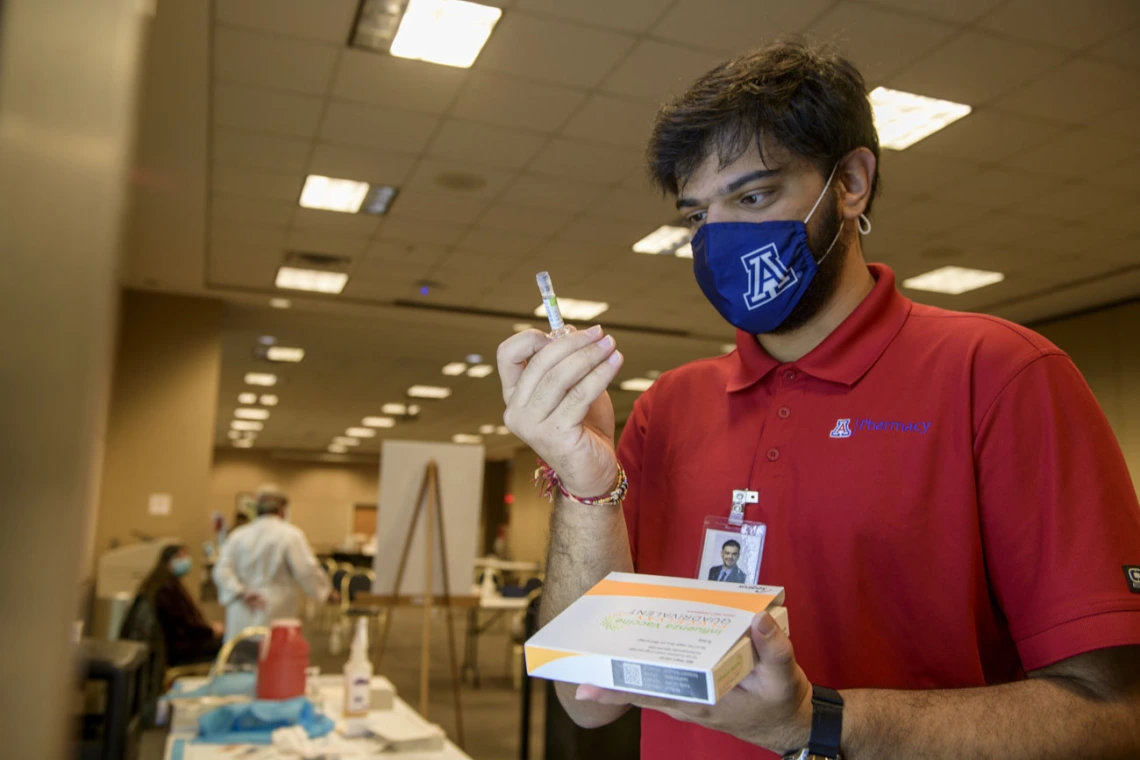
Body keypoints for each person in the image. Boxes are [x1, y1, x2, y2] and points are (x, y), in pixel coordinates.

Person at [497, 40, 1140, 760]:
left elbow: (1114, 716)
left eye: (754, 196)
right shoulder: (668, 407)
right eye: (697, 217)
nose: (723, 237)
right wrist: (585, 483)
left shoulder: (1000, 375)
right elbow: (586, 700)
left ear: (852, 182)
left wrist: (814, 724)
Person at [212, 486, 335, 641]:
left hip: (242, 606)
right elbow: (306, 570)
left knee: (239, 653)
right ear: (283, 509)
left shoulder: (238, 535)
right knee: (271, 654)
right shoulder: (290, 535)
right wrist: (325, 592)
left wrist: (241, 591)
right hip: (274, 605)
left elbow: (221, 571)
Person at [136, 544, 223, 666]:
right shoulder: (166, 589)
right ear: (169, 560)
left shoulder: (165, 584)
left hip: (177, 643)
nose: (186, 561)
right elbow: (183, 624)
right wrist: (210, 631)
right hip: (179, 648)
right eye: (181, 557)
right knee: (228, 644)